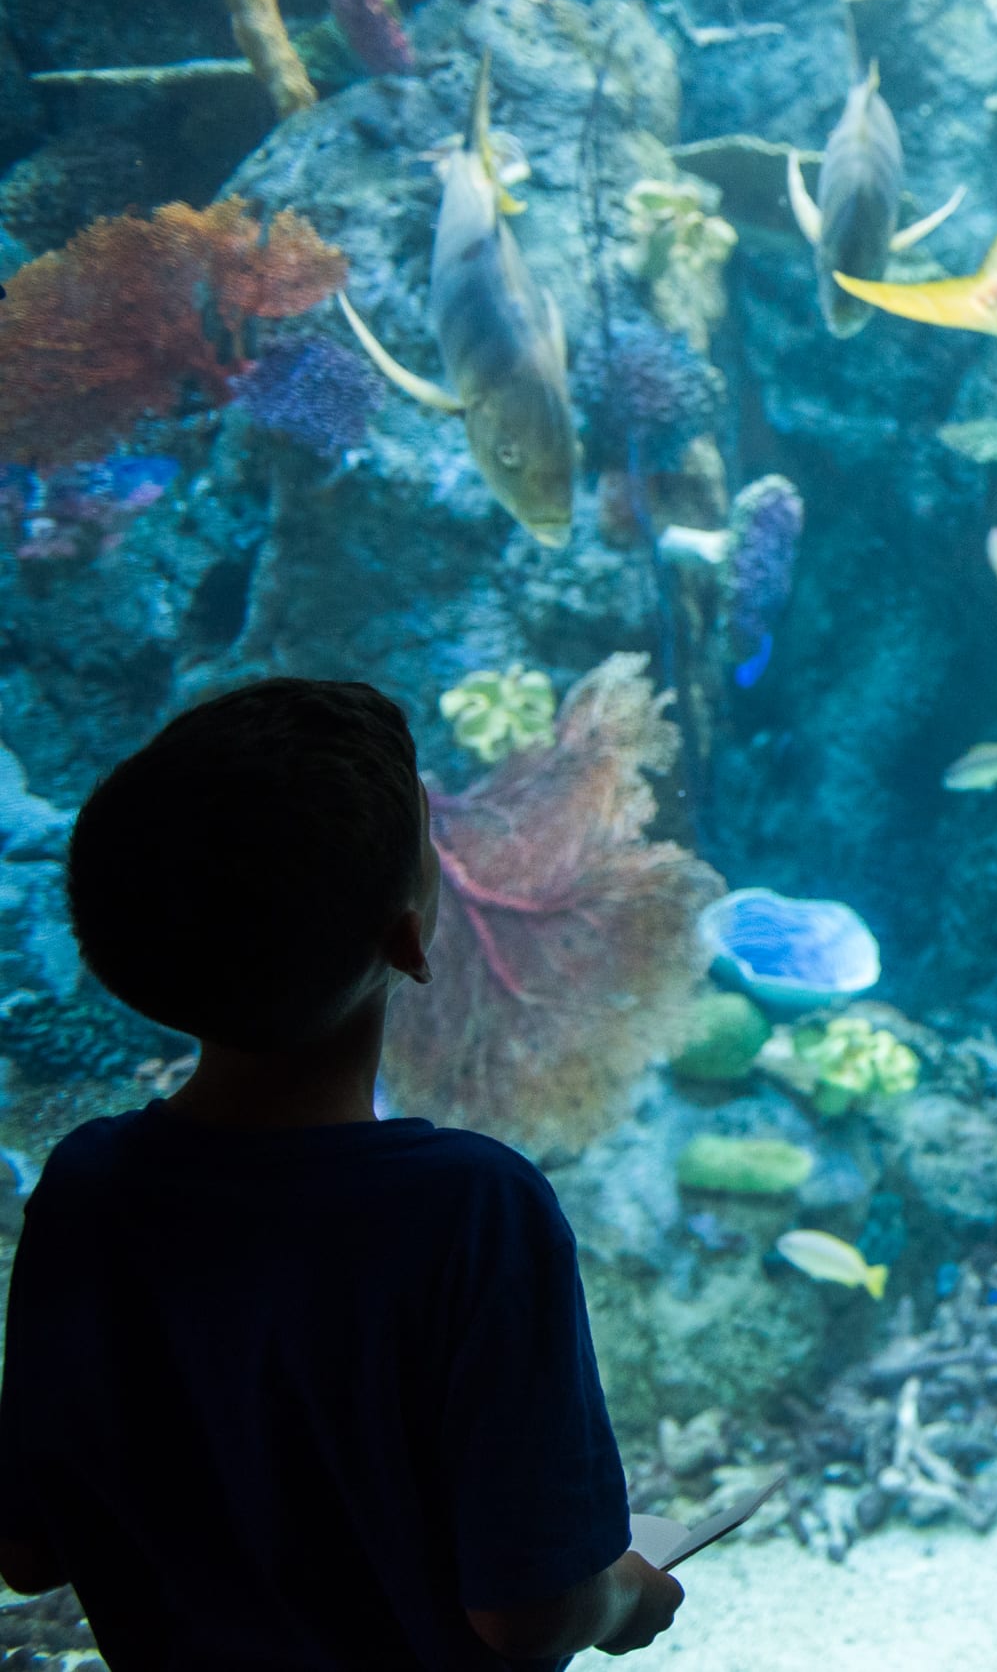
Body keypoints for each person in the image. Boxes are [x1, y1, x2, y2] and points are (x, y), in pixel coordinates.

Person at [0, 678, 683, 1668]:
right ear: (410, 937)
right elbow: (527, 1614)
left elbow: (27, 1548)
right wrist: (621, 1596)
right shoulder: (472, 1210)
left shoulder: (85, 1187)